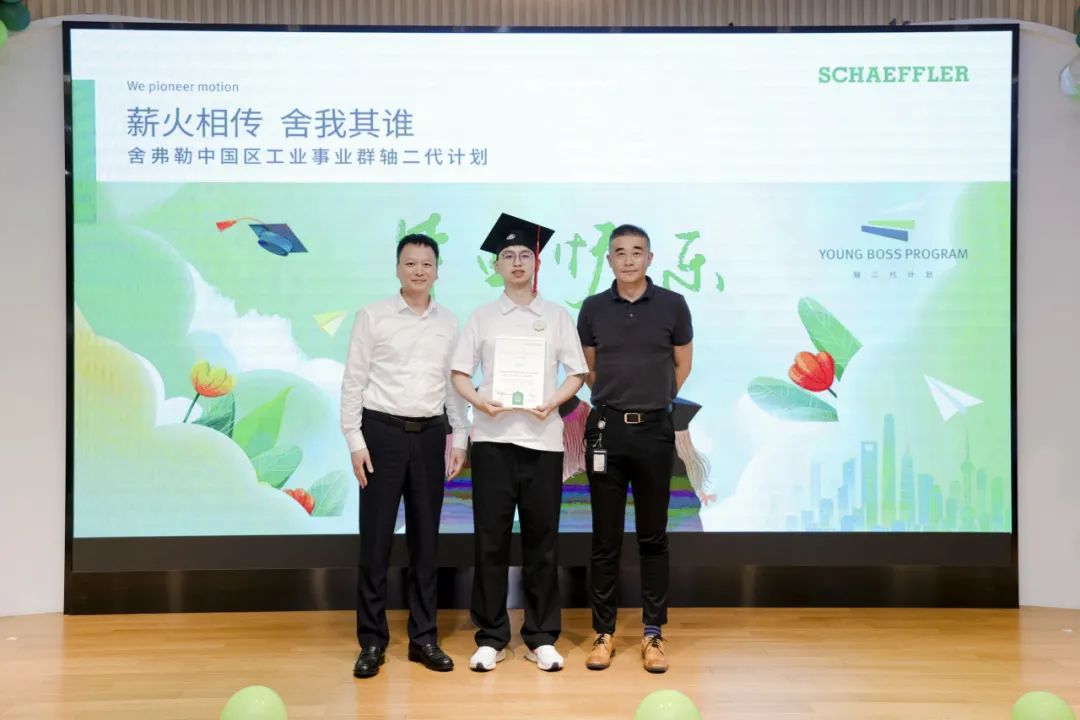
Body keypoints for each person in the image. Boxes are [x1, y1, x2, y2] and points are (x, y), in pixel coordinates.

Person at [450, 213, 588, 672]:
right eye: (507, 256)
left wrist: (553, 402)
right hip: (492, 441)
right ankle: (491, 636)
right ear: (496, 266)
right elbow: (459, 373)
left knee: (542, 542)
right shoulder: (482, 317)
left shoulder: (556, 316)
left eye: (524, 255)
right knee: (489, 540)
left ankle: (541, 636)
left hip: (543, 443)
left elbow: (577, 372)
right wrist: (479, 401)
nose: (516, 262)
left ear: (536, 263)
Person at [340, 233, 469, 678]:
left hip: (431, 435)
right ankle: (372, 641)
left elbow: (453, 384)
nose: (419, 271)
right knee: (376, 542)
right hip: (381, 433)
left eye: (427, 264)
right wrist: (355, 440)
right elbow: (354, 381)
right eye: (410, 263)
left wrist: (460, 436)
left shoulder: (449, 322)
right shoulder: (372, 315)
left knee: (425, 542)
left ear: (437, 271)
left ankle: (424, 638)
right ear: (397, 268)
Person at [577, 224, 694, 674]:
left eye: (636, 252)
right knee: (604, 539)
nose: (628, 260)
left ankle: (652, 632)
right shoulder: (592, 308)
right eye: (619, 252)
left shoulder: (673, 304)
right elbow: (590, 370)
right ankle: (603, 632)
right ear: (609, 260)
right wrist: (618, 398)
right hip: (606, 430)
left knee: (653, 536)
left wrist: (651, 398)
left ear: (650, 258)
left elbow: (682, 364)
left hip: (654, 431)